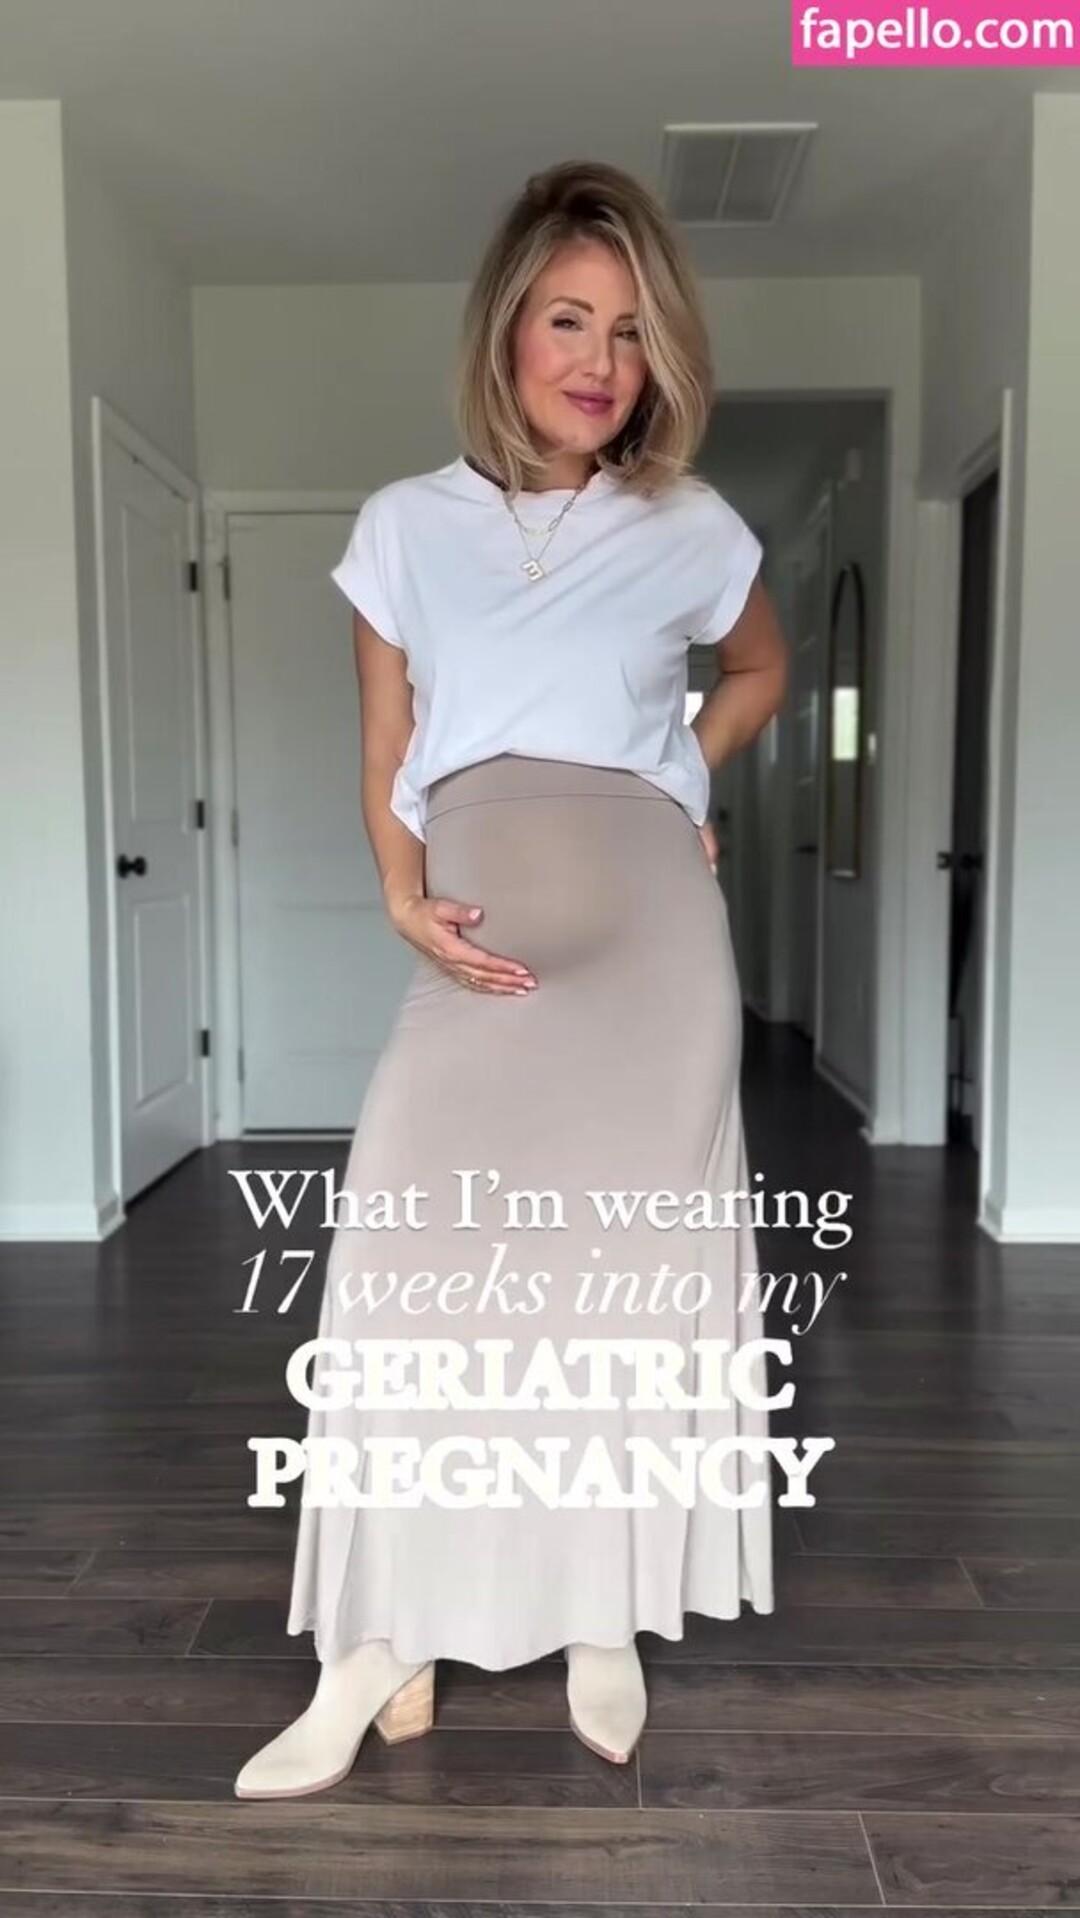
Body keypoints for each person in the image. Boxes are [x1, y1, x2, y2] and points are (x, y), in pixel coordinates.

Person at [235, 157, 789, 1801]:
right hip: (481, 942)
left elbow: (761, 665)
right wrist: (402, 896)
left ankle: (602, 1606)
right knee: (405, 1280)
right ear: (506, 328)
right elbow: (387, 744)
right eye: (568, 318)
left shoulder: (688, 524)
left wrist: (684, 771)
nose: (599, 359)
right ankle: (373, 1642)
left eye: (629, 330)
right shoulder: (405, 528)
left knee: (613, 1296)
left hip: (652, 950)